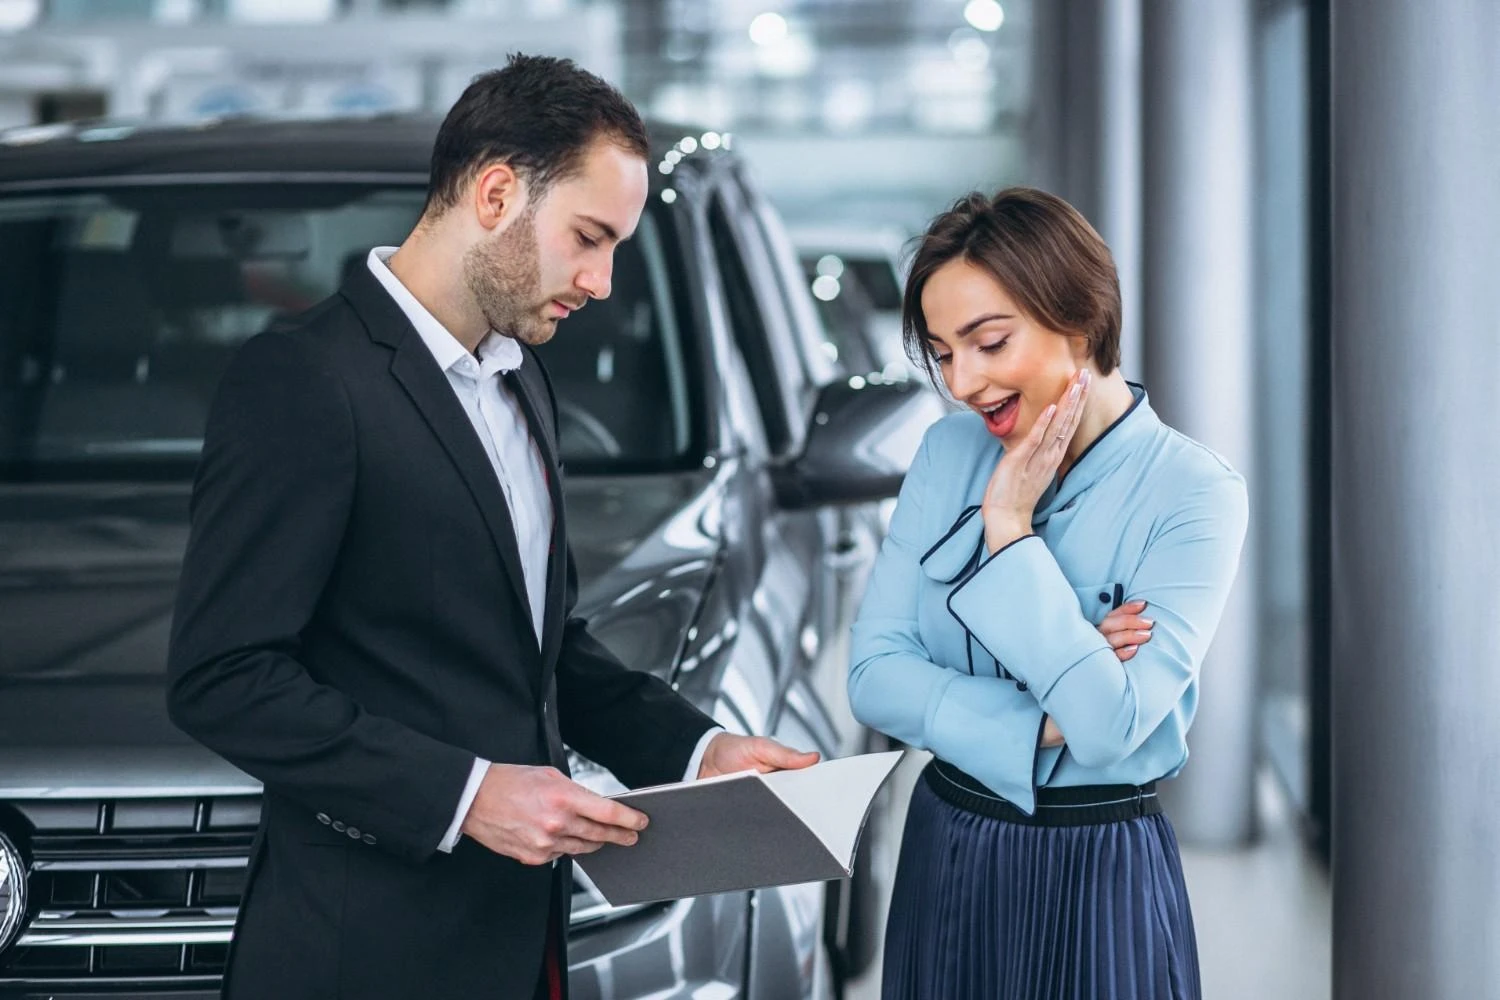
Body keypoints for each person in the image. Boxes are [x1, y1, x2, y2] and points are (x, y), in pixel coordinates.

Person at [166, 54, 816, 1000]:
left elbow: (537, 647)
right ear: (497, 191)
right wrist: (468, 797)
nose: (600, 281)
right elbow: (222, 678)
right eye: (589, 238)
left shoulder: (519, 378)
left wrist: (694, 751)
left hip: (518, 944)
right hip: (366, 956)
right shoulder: (307, 384)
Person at [847, 187, 1248, 999]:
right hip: (947, 846)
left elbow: (1108, 733)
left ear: (1081, 319)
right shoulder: (946, 451)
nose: (963, 382)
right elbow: (873, 677)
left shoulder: (1194, 492)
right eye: (943, 352)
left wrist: (1009, 529)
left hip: (1099, 866)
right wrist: (1045, 717)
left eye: (989, 342)